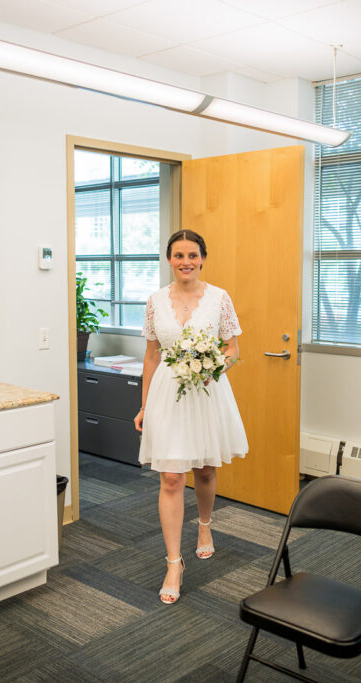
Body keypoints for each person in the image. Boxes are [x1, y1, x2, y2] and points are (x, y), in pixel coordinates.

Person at [134, 229, 248, 605]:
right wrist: (145, 405)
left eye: (193, 255)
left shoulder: (219, 298)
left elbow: (232, 348)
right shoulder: (154, 301)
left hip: (205, 391)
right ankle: (173, 563)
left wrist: (212, 365)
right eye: (179, 255)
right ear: (169, 259)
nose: (186, 262)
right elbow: (151, 356)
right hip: (168, 392)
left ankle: (204, 527)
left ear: (203, 258)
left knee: (204, 470)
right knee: (170, 477)